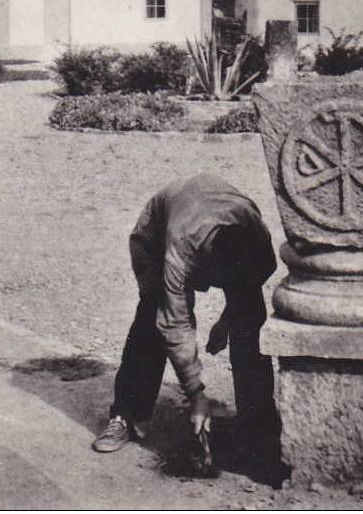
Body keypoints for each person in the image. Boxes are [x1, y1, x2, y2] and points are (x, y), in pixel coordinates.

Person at [92, 173, 281, 473]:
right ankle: (126, 415)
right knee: (153, 319)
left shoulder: (254, 236)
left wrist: (228, 320)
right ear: (208, 263)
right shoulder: (181, 245)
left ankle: (255, 423)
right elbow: (174, 322)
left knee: (250, 321)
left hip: (211, 211)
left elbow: (258, 274)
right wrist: (196, 394)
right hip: (157, 231)